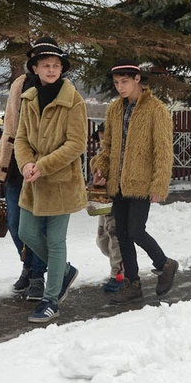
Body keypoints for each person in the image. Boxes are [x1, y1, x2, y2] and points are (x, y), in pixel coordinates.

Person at [91, 59, 178, 304]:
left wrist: (159, 185)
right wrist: (100, 169)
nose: (121, 87)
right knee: (122, 234)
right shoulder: (114, 110)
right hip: (117, 183)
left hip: (141, 182)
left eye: (125, 82)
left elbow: (162, 151)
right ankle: (132, 283)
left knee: (136, 230)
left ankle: (165, 264)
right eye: (117, 83)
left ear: (137, 79)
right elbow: (106, 147)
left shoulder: (156, 109)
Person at [14, 37, 85, 323]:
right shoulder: (28, 98)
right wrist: (26, 163)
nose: (52, 70)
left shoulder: (73, 100)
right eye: (46, 65)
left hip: (61, 181)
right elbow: (21, 138)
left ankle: (51, 299)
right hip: (33, 180)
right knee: (26, 232)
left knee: (56, 240)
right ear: (36, 68)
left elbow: (76, 143)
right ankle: (64, 271)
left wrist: (43, 165)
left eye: (56, 65)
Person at [0, 41, 49, 301]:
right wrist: (1, 163)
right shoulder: (20, 83)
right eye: (37, 58)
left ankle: (37, 275)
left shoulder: (56, 88)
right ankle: (27, 265)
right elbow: (10, 126)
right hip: (15, 165)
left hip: (42, 168)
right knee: (15, 224)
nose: (43, 64)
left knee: (36, 227)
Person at [90, 123, 124, 291]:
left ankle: (118, 275)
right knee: (102, 239)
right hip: (103, 202)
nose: (102, 141)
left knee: (114, 236)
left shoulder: (117, 154)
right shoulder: (99, 155)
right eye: (100, 138)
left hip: (116, 201)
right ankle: (121, 264)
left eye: (105, 138)